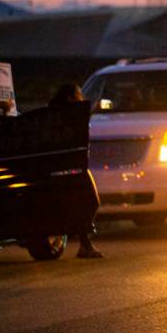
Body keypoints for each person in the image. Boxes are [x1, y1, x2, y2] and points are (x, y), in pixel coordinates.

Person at [49, 82, 103, 259]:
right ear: (71, 97)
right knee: (90, 201)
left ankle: (84, 242)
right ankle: (84, 243)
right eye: (79, 94)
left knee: (82, 203)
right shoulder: (70, 116)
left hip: (65, 168)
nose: (83, 98)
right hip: (74, 168)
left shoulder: (54, 116)